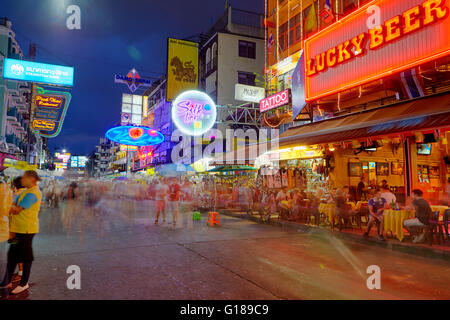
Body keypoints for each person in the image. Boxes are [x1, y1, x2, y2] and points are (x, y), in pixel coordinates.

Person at [0, 170, 42, 294]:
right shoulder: (25, 192)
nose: (22, 180)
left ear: (32, 179)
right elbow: (12, 205)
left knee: (25, 256)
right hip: (16, 229)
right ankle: (6, 281)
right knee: (12, 254)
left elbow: (16, 209)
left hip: (26, 230)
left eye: (24, 178)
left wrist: (4, 205)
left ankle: (24, 283)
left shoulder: (33, 193)